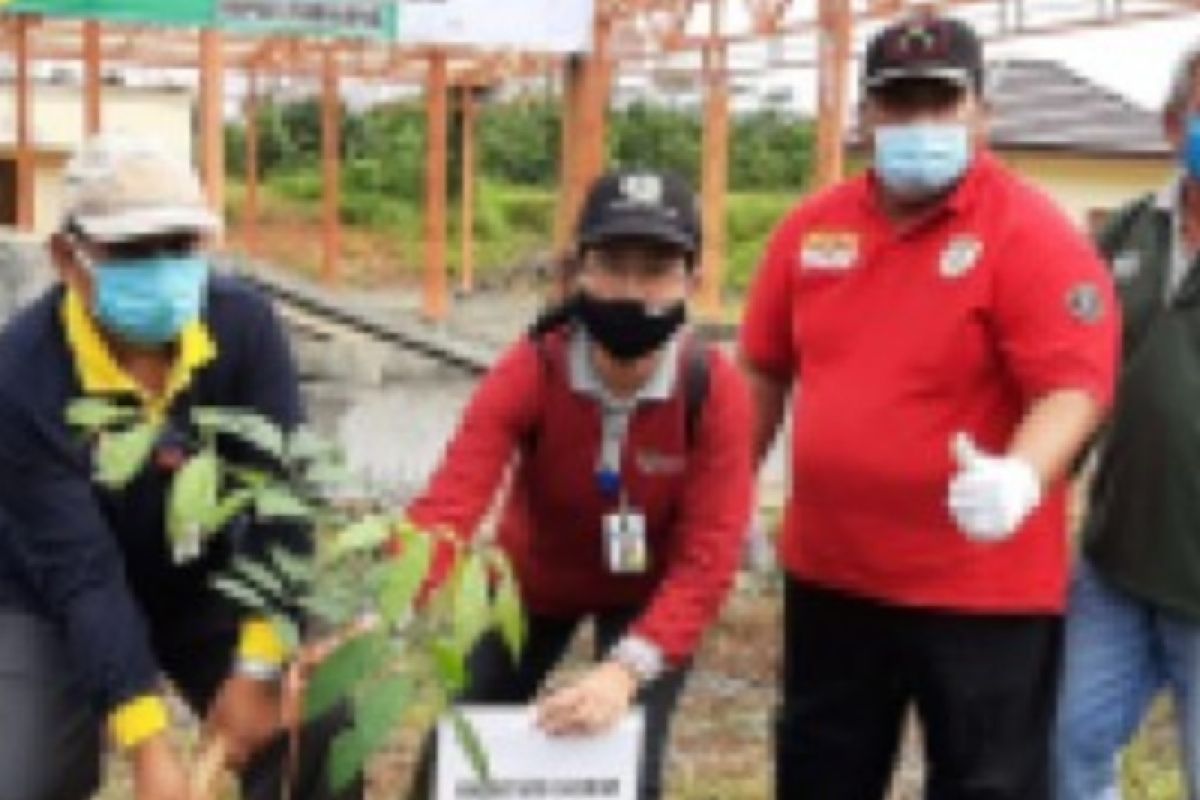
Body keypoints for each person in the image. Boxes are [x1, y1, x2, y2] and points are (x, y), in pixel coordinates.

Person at [739, 12, 1120, 800]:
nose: (918, 122)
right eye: (898, 103)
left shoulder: (1032, 237)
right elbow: (763, 370)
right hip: (833, 579)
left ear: (982, 114)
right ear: (867, 115)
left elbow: (1072, 389)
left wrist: (1020, 476)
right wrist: (729, 486)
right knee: (820, 775)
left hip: (981, 594)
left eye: (939, 104)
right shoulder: (811, 233)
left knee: (986, 784)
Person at [0, 135, 359, 800]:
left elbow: (284, 499)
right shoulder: (23, 374)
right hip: (47, 598)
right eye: (133, 251)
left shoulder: (242, 328)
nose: (164, 269)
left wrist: (255, 669)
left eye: (181, 245)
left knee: (318, 729)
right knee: (22, 774)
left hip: (202, 581)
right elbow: (82, 575)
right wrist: (148, 745)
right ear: (65, 258)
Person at [405, 169, 754, 800]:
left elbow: (709, 557)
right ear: (576, 272)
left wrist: (624, 671)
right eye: (611, 265)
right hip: (531, 583)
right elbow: (452, 502)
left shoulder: (712, 390)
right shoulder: (532, 367)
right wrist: (382, 606)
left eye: (655, 270)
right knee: (456, 750)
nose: (630, 291)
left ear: (692, 282)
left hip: (650, 596)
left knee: (627, 762)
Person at [1054, 39, 1200, 800]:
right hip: (1115, 564)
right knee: (1071, 748)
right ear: (1174, 123)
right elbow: (1071, 370)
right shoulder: (1129, 233)